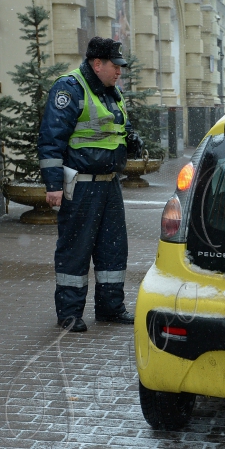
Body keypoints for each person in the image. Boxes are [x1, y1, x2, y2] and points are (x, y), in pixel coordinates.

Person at [38, 36, 135, 332]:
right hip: (80, 184)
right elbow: (50, 140)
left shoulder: (111, 92)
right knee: (75, 249)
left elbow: (118, 126)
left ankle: (110, 307)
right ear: (97, 64)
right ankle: (69, 314)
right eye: (115, 66)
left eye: (120, 67)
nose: (119, 72)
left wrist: (131, 139)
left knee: (113, 248)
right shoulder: (70, 88)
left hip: (109, 183)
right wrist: (53, 185)